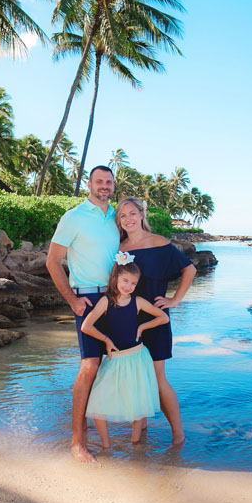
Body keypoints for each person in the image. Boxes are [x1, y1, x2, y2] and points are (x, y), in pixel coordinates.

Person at [46, 165, 120, 463]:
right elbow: (52, 262)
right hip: (88, 296)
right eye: (99, 181)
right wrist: (73, 301)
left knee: (121, 362)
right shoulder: (73, 217)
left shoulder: (117, 216)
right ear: (89, 184)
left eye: (109, 182)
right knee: (90, 366)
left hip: (118, 296)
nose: (104, 186)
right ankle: (77, 441)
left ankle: (118, 431)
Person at [116, 196, 195, 447]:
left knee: (158, 378)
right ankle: (140, 433)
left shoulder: (160, 244)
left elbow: (190, 269)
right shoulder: (120, 248)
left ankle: (178, 435)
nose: (128, 219)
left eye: (131, 213)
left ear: (141, 214)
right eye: (122, 216)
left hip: (156, 318)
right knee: (135, 377)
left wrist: (175, 300)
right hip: (128, 319)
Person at [80, 255, 168, 449]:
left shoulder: (138, 301)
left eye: (133, 283)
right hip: (115, 358)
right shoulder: (105, 301)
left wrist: (142, 327)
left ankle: (136, 447)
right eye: (125, 281)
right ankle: (106, 446)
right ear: (115, 279)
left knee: (139, 403)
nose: (128, 286)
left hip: (138, 357)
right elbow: (86, 326)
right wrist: (106, 340)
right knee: (98, 402)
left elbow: (163, 317)